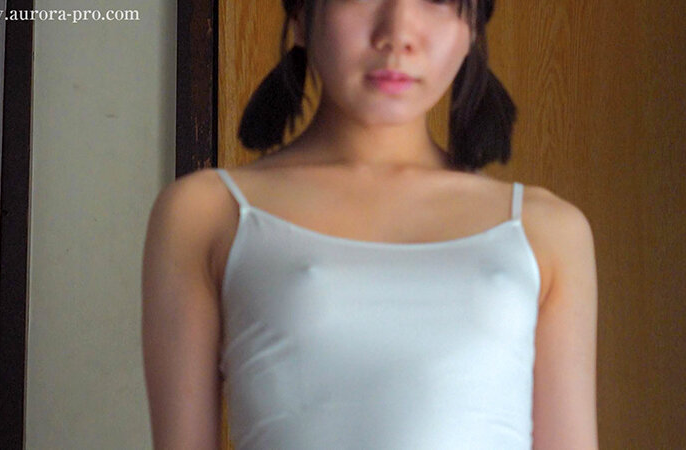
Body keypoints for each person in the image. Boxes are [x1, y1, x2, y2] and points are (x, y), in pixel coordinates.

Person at [142, 0, 598, 448]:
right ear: (300, 15)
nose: (397, 33)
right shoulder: (207, 213)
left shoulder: (545, 229)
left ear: (473, 26)